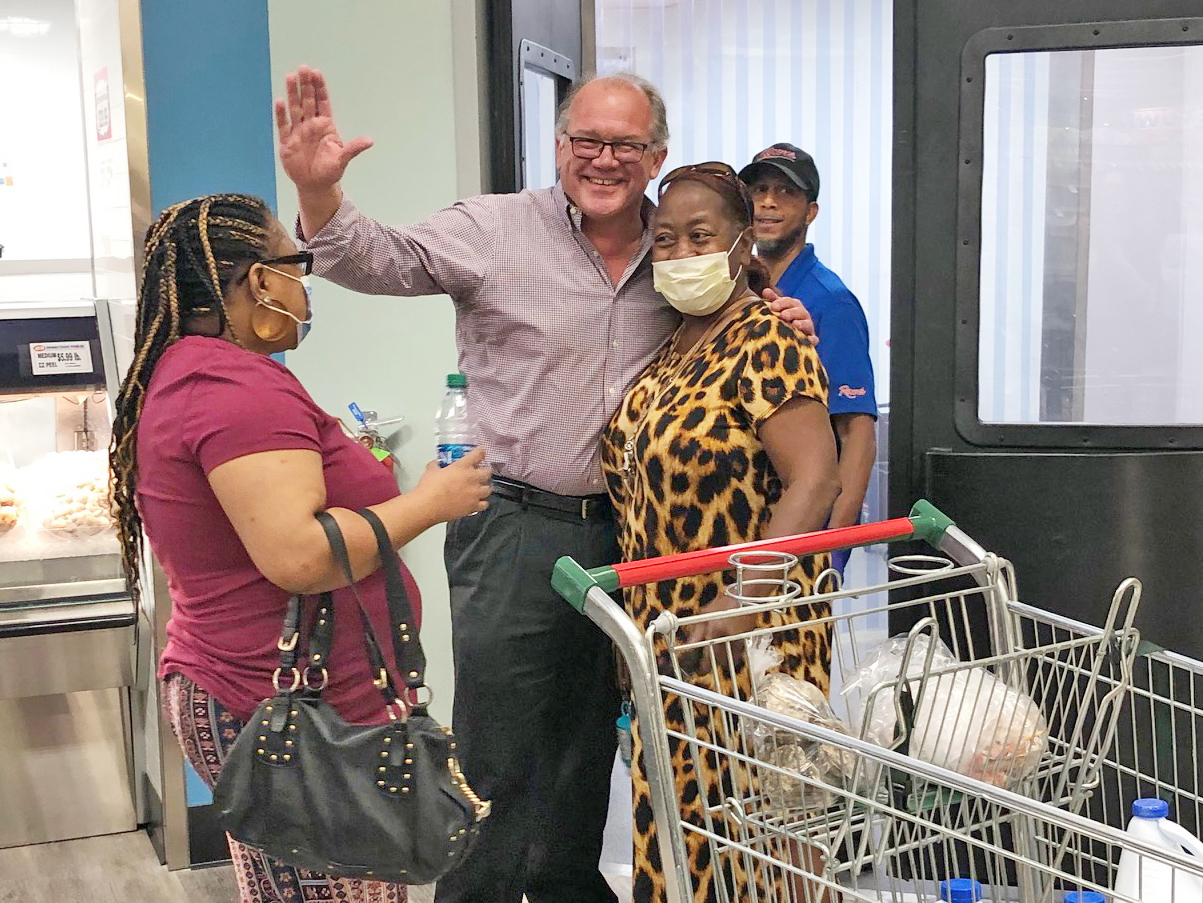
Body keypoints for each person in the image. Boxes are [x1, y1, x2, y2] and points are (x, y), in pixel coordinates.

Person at [273, 66, 817, 903]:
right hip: (514, 526)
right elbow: (371, 257)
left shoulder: (675, 248)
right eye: (586, 141)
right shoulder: (494, 229)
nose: (604, 159)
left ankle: (563, 885)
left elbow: (737, 322)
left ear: (654, 154)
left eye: (625, 145)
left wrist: (778, 309)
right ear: (559, 146)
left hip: (626, 540)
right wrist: (318, 195)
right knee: (495, 751)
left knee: (586, 744)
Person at [109, 194, 491, 903]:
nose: (303, 284)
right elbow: (298, 557)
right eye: (296, 264)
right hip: (279, 701)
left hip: (291, 699)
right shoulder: (229, 386)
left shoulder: (208, 373)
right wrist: (428, 503)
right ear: (259, 281)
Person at [599, 162, 839, 903]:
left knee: (768, 838)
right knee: (680, 833)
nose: (678, 254)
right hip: (668, 638)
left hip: (751, 634)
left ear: (741, 246)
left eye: (699, 236)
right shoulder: (669, 351)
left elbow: (814, 477)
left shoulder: (767, 336)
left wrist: (743, 597)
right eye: (663, 240)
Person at [740, 144, 878, 575]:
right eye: (759, 190)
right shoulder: (736, 288)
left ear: (810, 211)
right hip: (749, 524)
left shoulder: (830, 301)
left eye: (785, 192)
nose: (768, 202)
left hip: (803, 535)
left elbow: (857, 433)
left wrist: (831, 551)